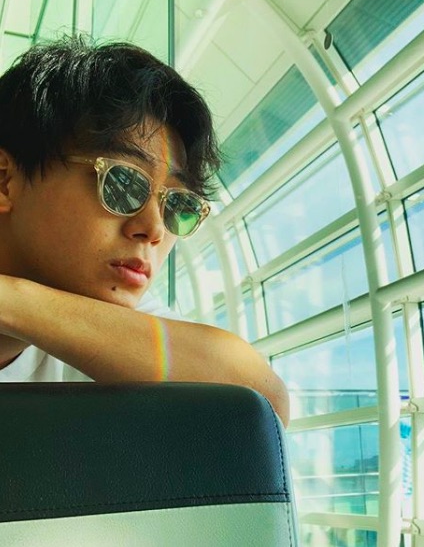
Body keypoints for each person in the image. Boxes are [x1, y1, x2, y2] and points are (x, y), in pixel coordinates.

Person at [0, 36, 289, 426]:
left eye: (178, 206)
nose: (154, 229)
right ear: (5, 180)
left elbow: (262, 402)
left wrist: (11, 299)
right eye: (124, 184)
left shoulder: (105, 321)